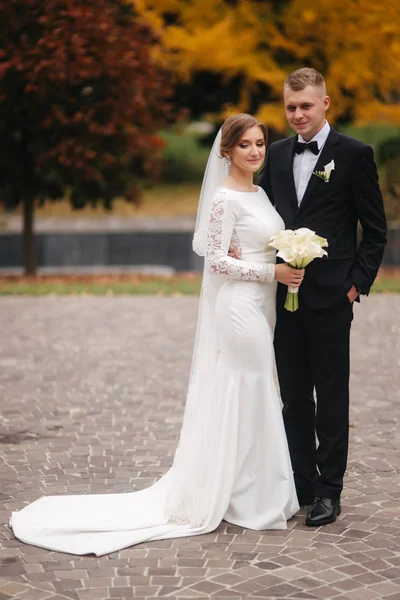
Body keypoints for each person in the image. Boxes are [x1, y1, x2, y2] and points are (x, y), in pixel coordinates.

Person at [10, 114, 303, 556]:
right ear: (227, 151)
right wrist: (272, 271)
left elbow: (247, 244)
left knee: (253, 391)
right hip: (239, 307)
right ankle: (252, 499)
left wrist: (287, 257)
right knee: (255, 387)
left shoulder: (259, 192)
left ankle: (248, 489)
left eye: (260, 143)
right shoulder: (224, 198)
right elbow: (215, 260)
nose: (256, 152)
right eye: (245, 145)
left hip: (263, 305)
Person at [258, 67, 387, 527]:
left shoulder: (353, 154)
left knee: (331, 395)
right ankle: (302, 482)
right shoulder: (273, 155)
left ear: (325, 104)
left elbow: (375, 230)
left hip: (333, 297)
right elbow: (263, 218)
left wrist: (355, 284)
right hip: (283, 297)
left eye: (306, 106)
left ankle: (330, 491)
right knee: (293, 396)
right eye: (291, 107)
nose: (297, 115)